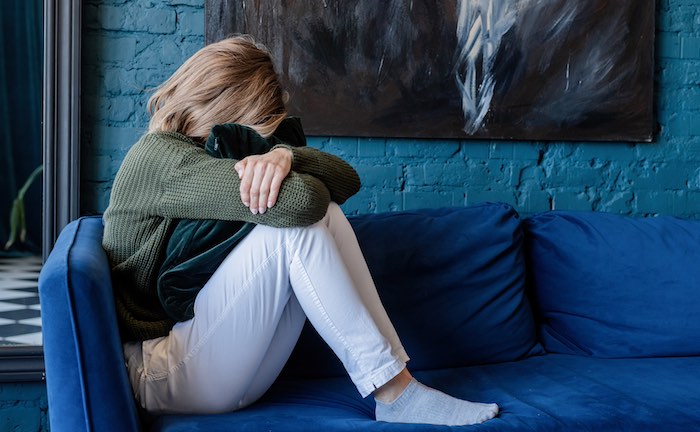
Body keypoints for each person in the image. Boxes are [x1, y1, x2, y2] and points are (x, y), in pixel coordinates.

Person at [102, 34, 499, 426]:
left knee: (329, 215)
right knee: (292, 229)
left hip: (225, 370)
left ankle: (399, 389)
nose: (252, 144)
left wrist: (284, 155)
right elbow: (301, 202)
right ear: (225, 110)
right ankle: (394, 393)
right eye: (255, 129)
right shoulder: (160, 158)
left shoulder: (197, 157)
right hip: (159, 374)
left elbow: (346, 180)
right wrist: (282, 162)